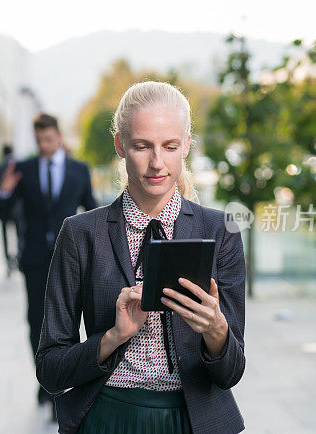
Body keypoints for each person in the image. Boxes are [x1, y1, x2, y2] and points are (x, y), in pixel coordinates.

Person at [35, 82, 246, 434]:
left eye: (170, 146)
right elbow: (50, 370)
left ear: (187, 147)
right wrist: (112, 337)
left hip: (195, 421)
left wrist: (216, 329)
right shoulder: (81, 233)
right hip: (107, 418)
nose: (157, 162)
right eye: (141, 146)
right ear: (120, 145)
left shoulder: (221, 230)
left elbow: (231, 372)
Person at [0, 113, 97, 414]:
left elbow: (92, 209)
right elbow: (3, 212)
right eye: (39, 140)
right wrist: (4, 190)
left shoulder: (79, 170)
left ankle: (67, 380)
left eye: (49, 139)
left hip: (71, 258)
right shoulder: (23, 169)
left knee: (70, 322)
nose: (44, 145)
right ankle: (47, 381)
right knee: (36, 322)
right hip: (36, 259)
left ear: (59, 137)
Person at [0, 144, 21, 275]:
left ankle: (8, 259)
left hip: (4, 210)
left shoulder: (0, 167)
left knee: (5, 235)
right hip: (17, 209)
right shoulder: (19, 166)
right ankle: (18, 256)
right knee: (19, 234)